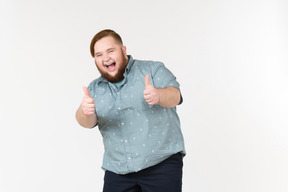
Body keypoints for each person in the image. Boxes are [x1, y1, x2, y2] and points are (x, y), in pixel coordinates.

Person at [76, 29, 185, 192]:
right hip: (117, 171)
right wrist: (85, 112)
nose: (105, 58)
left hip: (161, 165)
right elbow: (86, 121)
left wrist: (158, 95)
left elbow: (176, 96)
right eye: (99, 55)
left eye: (110, 51)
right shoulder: (94, 89)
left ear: (123, 50)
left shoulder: (152, 70)